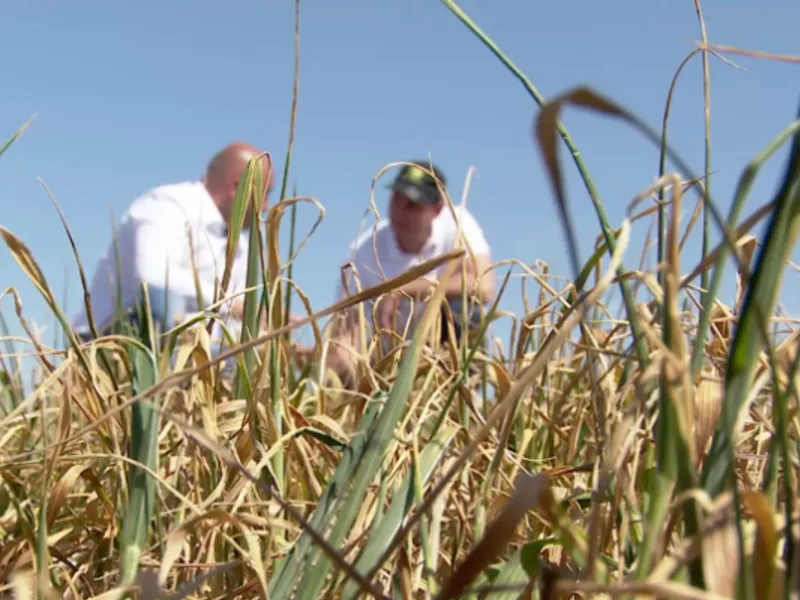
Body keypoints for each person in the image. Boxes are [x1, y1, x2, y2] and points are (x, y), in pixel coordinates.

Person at [71, 141, 275, 344]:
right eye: (265, 194)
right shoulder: (167, 205)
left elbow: (229, 324)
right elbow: (153, 278)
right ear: (237, 186)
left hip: (189, 349)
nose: (266, 207)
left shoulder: (242, 247)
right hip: (110, 341)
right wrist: (232, 304)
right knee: (162, 300)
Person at [320, 159, 495, 389]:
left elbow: (484, 286)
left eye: (413, 205)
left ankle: (461, 395)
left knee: (466, 310)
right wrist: (338, 359)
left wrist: (402, 289)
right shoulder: (362, 252)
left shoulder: (458, 223)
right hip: (384, 357)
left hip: (438, 346)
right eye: (396, 201)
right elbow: (346, 326)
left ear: (438, 209)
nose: (401, 212)